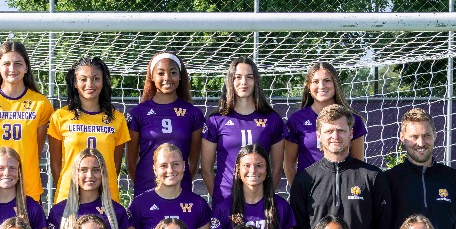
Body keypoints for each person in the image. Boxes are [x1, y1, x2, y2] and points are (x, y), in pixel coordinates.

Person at [290, 104, 395, 229]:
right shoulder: (305, 179)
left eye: (341, 130)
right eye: (329, 131)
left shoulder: (372, 176)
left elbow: (383, 227)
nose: (335, 136)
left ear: (351, 133)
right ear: (319, 136)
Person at [0, 41, 54, 201]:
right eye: (6, 63)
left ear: (26, 67)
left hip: (28, 184)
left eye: (18, 63)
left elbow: (37, 150)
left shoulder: (41, 103)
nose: (12, 69)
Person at [199, 57, 286, 199]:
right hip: (226, 199)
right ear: (230, 81)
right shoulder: (216, 120)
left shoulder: (273, 120)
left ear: (256, 81)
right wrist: (219, 200)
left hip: (260, 200)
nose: (244, 82)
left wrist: (266, 198)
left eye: (249, 77)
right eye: (238, 77)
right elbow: (206, 170)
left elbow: (277, 169)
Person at [49, 57, 130, 202]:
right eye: (83, 79)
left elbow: (115, 165)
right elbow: (56, 165)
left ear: (103, 82)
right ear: (75, 83)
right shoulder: (60, 117)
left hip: (106, 196)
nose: (90, 84)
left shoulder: (117, 119)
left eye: (96, 78)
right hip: (69, 196)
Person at [125, 52, 205, 195]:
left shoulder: (193, 114)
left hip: (180, 192)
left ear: (180, 76)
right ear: (152, 76)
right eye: (161, 73)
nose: (167, 78)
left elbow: (193, 161)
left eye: (173, 72)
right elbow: (130, 162)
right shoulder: (138, 113)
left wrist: (179, 183)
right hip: (146, 191)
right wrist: (143, 186)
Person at [209, 145, 295, 229]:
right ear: (238, 169)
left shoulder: (282, 207)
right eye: (247, 165)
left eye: (259, 165)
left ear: (267, 170)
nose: (253, 170)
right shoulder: (224, 208)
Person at [126, 143, 210, 229]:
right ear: (155, 169)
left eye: (175, 164)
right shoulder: (140, 204)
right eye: (163, 166)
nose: (170, 170)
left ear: (184, 166)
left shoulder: (199, 204)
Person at [46, 148, 129, 229]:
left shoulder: (117, 212)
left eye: (96, 170)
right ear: (75, 174)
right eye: (83, 170)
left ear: (103, 173)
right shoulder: (59, 212)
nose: (90, 175)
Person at [283, 62, 367, 180]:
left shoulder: (353, 120)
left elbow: (358, 165)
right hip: (310, 189)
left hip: (343, 187)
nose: (321, 86)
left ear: (335, 84)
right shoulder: (296, 120)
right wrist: (298, 190)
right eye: (315, 81)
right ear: (308, 86)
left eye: (327, 80)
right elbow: (289, 165)